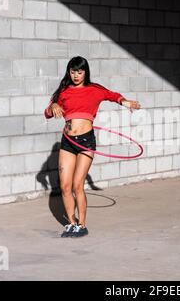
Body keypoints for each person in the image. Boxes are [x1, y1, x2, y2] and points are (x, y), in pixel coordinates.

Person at [44, 56, 141, 238]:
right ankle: (71, 224)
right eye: (73, 72)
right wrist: (54, 105)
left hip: (86, 141)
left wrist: (126, 102)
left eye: (80, 72)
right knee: (65, 186)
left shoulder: (94, 89)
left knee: (77, 185)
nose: (76, 75)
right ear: (69, 72)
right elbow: (47, 113)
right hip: (68, 142)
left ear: (86, 72)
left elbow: (112, 96)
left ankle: (82, 225)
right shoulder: (63, 92)